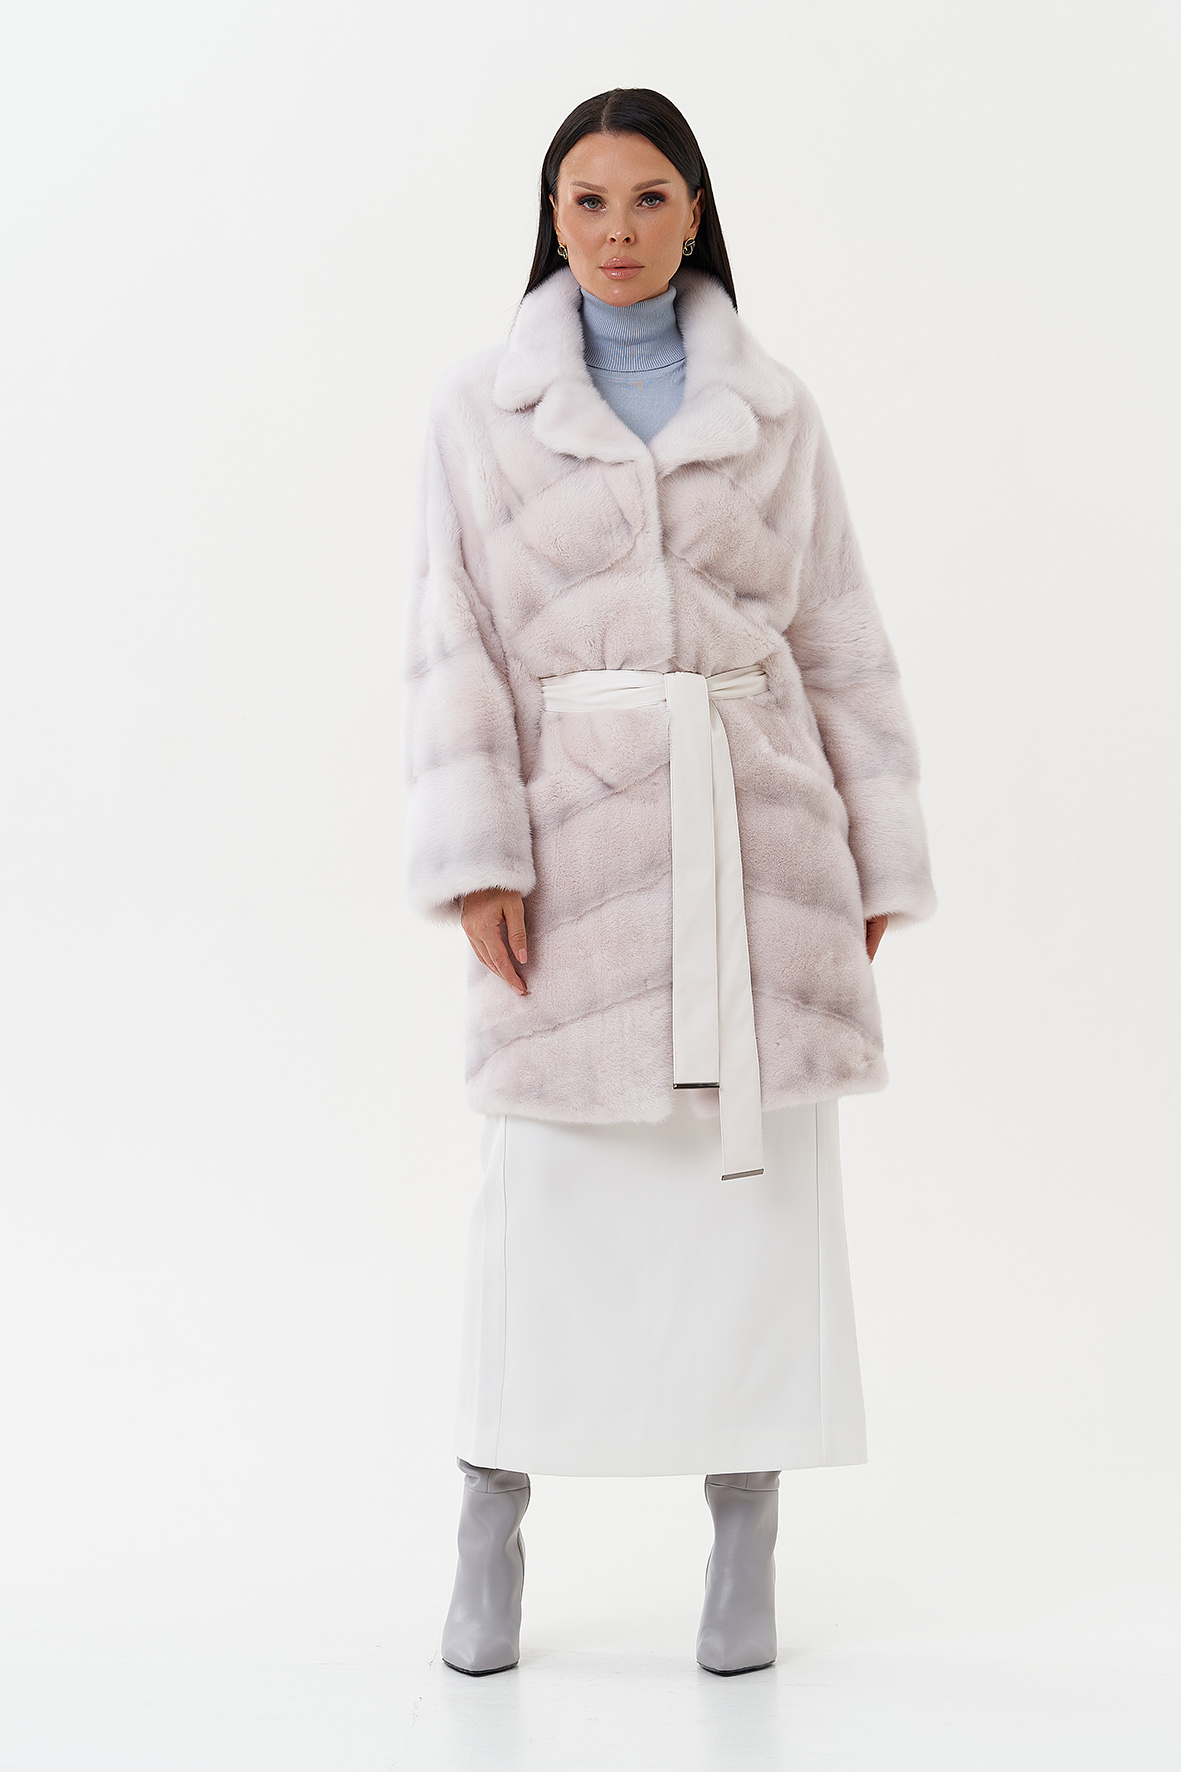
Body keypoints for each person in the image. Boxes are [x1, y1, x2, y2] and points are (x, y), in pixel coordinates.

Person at [403, 87, 935, 1678]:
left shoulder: (775, 412)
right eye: (587, 201)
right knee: (541, 1208)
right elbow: (452, 642)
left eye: (648, 198)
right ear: (550, 218)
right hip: (572, 853)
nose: (618, 231)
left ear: (694, 209)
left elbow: (837, 635)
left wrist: (875, 847)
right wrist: (478, 858)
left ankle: (744, 1537)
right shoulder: (479, 412)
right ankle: (489, 1521)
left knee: (749, 1215)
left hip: (758, 850)